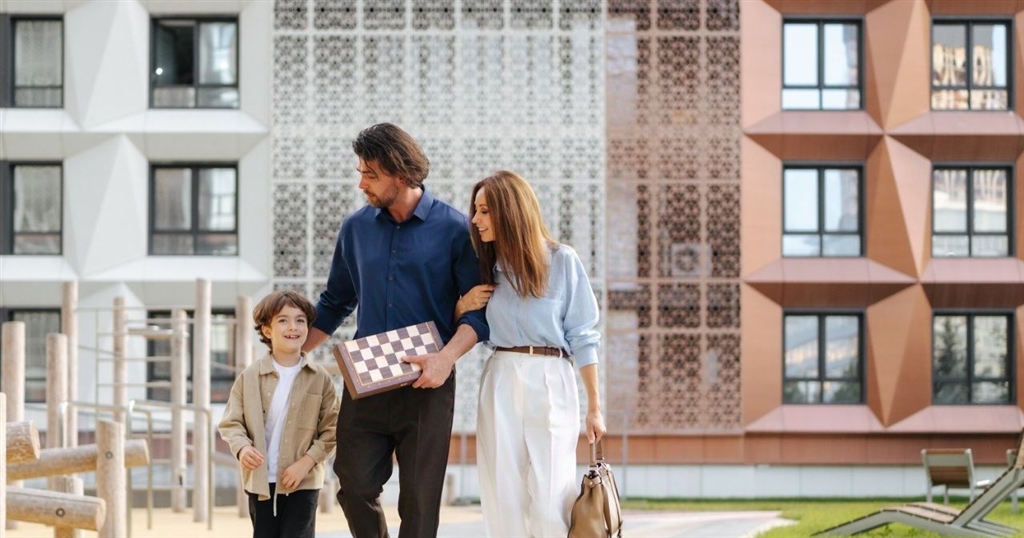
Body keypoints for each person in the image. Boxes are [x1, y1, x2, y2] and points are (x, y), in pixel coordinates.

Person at [301, 123, 488, 538]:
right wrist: (291, 355)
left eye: (370, 174)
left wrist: (444, 360)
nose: (361, 184)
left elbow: (478, 316)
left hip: (428, 381)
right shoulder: (355, 229)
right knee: (354, 485)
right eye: (360, 173)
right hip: (367, 376)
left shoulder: (456, 230)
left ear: (401, 173)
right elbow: (335, 303)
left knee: (420, 503)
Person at [456, 170, 605, 537]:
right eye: (476, 210)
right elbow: (465, 325)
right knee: (503, 488)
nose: (475, 220)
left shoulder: (563, 261)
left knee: (551, 491)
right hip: (501, 374)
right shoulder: (486, 268)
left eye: (485, 211)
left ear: (510, 211)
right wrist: (461, 307)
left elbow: (584, 336)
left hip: (551, 375)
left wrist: (595, 407)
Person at [218, 290, 340, 538]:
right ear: (267, 330)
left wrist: (306, 463)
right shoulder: (249, 377)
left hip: (303, 481)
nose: (293, 326)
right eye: (283, 320)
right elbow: (231, 423)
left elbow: (333, 429)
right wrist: (242, 448)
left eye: (300, 320)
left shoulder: (320, 379)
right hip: (261, 482)